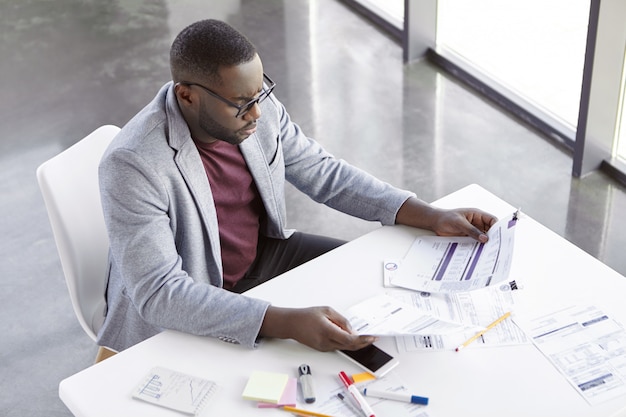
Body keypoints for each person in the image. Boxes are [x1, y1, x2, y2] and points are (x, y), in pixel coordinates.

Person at [97, 19, 497, 353]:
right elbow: (161, 293)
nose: (257, 112)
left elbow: (323, 172)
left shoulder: (257, 106)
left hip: (263, 255)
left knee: (375, 284)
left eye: (261, 92)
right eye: (241, 103)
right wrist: (283, 321)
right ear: (187, 95)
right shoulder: (132, 163)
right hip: (193, 295)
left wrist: (429, 214)